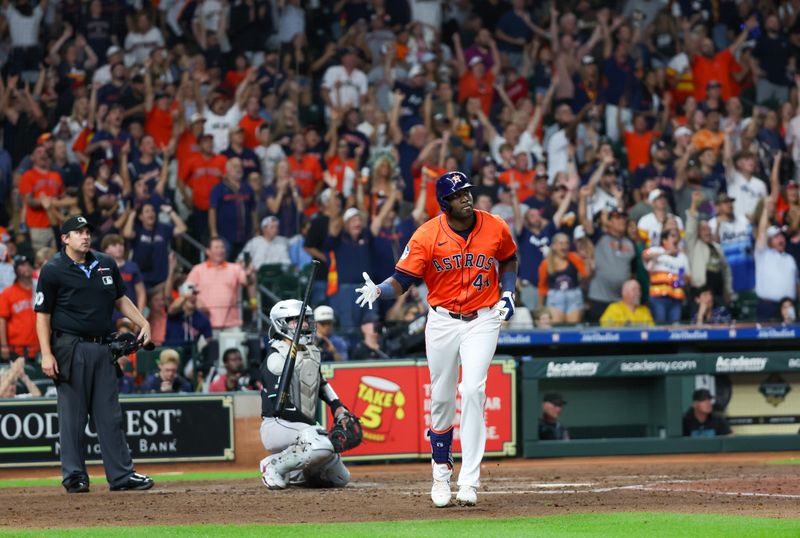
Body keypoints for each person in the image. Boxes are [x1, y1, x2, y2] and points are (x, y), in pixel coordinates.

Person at [354, 171, 518, 508]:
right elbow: (402, 280)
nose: (466, 198)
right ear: (445, 203)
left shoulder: (495, 225)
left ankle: (469, 481)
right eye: (459, 195)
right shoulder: (427, 234)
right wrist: (379, 290)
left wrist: (509, 293)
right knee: (442, 399)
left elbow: (509, 258)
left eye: (468, 192)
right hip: (442, 320)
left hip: (483, 318)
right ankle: (440, 472)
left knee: (473, 390)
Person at [34, 215, 154, 493]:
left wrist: (143, 322)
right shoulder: (53, 269)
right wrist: (46, 354)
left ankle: (121, 475)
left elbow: (120, 298)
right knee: (73, 417)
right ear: (65, 238)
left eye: (87, 231)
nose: (85, 236)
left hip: (103, 347)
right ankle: (74, 475)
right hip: (70, 347)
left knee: (110, 415)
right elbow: (42, 315)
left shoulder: (106, 263)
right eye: (78, 232)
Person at [258, 300, 352, 489]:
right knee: (320, 443)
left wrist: (338, 407)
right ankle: (272, 465)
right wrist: (315, 428)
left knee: (341, 478)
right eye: (296, 321)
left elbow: (321, 384)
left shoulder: (312, 352)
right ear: (281, 324)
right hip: (277, 425)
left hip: (303, 427)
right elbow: (280, 406)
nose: (305, 325)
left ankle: (303, 473)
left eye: (306, 320)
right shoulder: (276, 357)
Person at [184, 238, 255, 332]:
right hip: (205, 325)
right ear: (208, 251)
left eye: (222, 247)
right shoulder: (198, 269)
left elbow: (248, 282)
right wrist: (196, 301)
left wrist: (249, 274)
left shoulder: (234, 268)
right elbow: (186, 290)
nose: (220, 250)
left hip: (231, 325)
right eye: (216, 247)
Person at [0, 256, 39, 360]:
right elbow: (2, 320)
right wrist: (4, 346)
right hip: (17, 349)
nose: (27, 267)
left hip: (40, 348)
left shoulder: (40, 289)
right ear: (16, 269)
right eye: (22, 265)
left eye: (29, 264)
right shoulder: (8, 293)